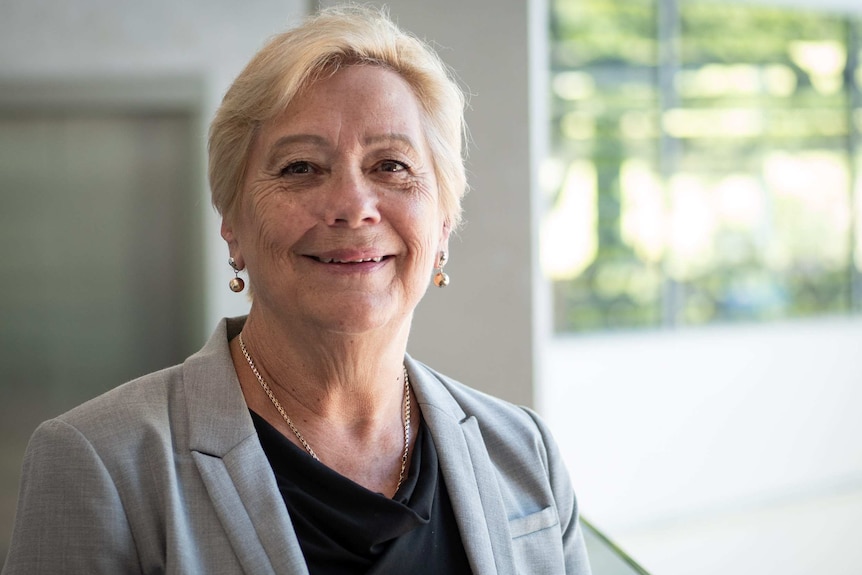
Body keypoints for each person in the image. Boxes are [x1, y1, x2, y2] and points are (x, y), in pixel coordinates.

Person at [2, 5, 591, 574]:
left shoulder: (523, 452)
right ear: (232, 224)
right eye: (300, 168)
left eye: (391, 166)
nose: (353, 207)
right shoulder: (97, 462)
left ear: (443, 223)